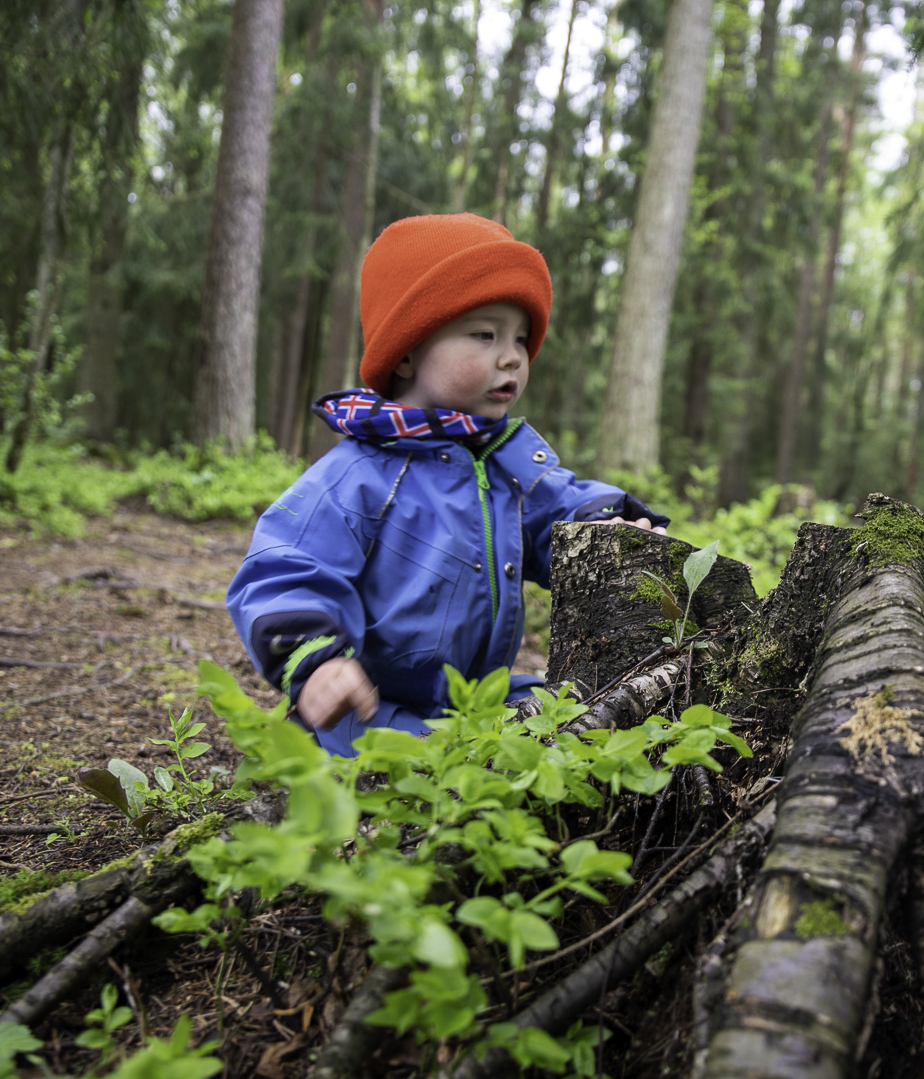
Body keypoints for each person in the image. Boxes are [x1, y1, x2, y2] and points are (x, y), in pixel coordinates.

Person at [227, 213, 667, 756]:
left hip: (477, 701)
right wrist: (318, 664)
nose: (512, 357)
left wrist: (610, 526)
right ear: (408, 352)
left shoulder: (503, 464)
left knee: (579, 713)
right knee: (400, 769)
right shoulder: (359, 474)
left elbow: (559, 511)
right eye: (484, 334)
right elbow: (284, 571)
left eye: (520, 338)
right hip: (372, 710)